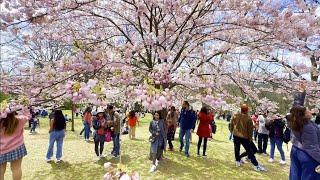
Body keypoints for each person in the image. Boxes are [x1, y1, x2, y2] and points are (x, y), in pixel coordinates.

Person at [230, 104, 266, 171]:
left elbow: (231, 124)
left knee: (238, 149)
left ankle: (238, 160)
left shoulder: (235, 116)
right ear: (247, 110)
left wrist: (232, 131)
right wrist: (250, 138)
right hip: (244, 137)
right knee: (250, 151)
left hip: (236, 135)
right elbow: (250, 130)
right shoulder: (248, 118)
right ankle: (255, 165)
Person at [288, 106, 320, 179]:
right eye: (308, 110)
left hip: (296, 150)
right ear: (303, 114)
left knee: (295, 175)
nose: (310, 111)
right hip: (307, 155)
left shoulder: (296, 123)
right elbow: (312, 147)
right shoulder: (308, 126)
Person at [0, 109, 30, 180]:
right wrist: (23, 106)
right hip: (17, 147)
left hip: (1, 150)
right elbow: (28, 115)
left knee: (1, 171)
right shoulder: (20, 120)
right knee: (16, 169)